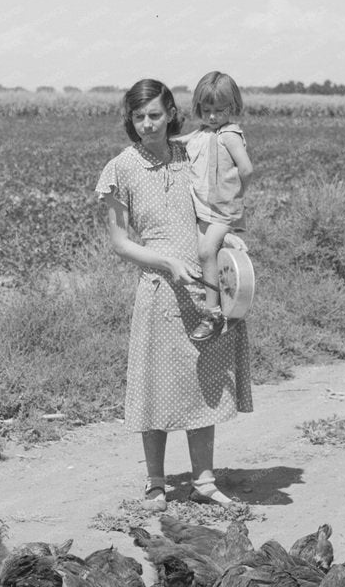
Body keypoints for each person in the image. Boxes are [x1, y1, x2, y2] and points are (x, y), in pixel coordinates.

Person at [95, 78, 254, 511]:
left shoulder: (193, 151)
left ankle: (204, 481)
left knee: (204, 382)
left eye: (156, 115)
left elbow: (219, 201)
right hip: (158, 289)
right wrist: (165, 262)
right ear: (130, 119)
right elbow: (120, 242)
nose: (148, 124)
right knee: (155, 387)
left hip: (202, 290)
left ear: (171, 115)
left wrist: (227, 240)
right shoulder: (120, 169)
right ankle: (155, 484)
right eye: (139, 117)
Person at [179, 70, 253, 341]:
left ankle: (213, 313)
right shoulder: (202, 133)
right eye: (206, 109)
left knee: (206, 250)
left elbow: (247, 169)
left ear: (232, 107)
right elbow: (180, 142)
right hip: (204, 209)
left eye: (219, 110)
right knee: (207, 255)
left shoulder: (229, 135)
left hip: (222, 210)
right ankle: (223, 307)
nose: (212, 116)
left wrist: (237, 195)